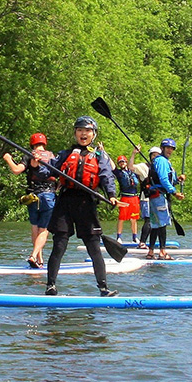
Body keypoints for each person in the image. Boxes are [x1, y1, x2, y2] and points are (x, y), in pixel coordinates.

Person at [43, 116, 121, 297]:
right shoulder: (64, 154)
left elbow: (106, 176)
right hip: (65, 202)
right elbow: (48, 169)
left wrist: (112, 195)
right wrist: (36, 163)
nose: (83, 133)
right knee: (59, 244)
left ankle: (103, 288)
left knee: (93, 247)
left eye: (87, 131)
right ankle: (50, 286)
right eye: (79, 130)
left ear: (93, 134)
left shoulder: (99, 156)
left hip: (86, 202)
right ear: (75, 133)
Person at [3, 132, 56, 268]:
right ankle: (36, 257)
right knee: (43, 230)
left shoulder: (28, 155)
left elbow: (16, 170)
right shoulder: (52, 157)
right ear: (44, 143)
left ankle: (37, 258)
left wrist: (8, 158)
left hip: (33, 197)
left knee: (35, 228)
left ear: (32, 144)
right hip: (49, 196)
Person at [146, 138, 185, 260]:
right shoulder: (162, 161)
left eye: (172, 148)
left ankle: (151, 252)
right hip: (159, 196)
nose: (170, 150)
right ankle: (162, 252)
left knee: (156, 224)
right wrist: (174, 193)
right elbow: (163, 180)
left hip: (156, 195)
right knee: (162, 224)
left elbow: (167, 180)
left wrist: (177, 180)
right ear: (162, 148)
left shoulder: (162, 161)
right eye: (168, 148)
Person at [133, 146, 160, 249]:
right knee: (148, 220)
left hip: (158, 198)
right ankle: (142, 243)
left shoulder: (161, 167)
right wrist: (134, 154)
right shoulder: (144, 167)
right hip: (146, 198)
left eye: (157, 156)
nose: (155, 158)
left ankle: (153, 244)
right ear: (150, 156)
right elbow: (131, 167)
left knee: (157, 222)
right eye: (153, 155)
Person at [112, 147, 141, 243]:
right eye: (120, 162)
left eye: (123, 161)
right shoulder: (118, 173)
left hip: (134, 198)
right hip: (125, 198)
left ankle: (134, 237)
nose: (122, 163)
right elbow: (111, 164)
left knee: (134, 219)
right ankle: (119, 237)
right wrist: (103, 151)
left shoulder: (132, 171)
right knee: (122, 218)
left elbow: (131, 162)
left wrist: (134, 153)